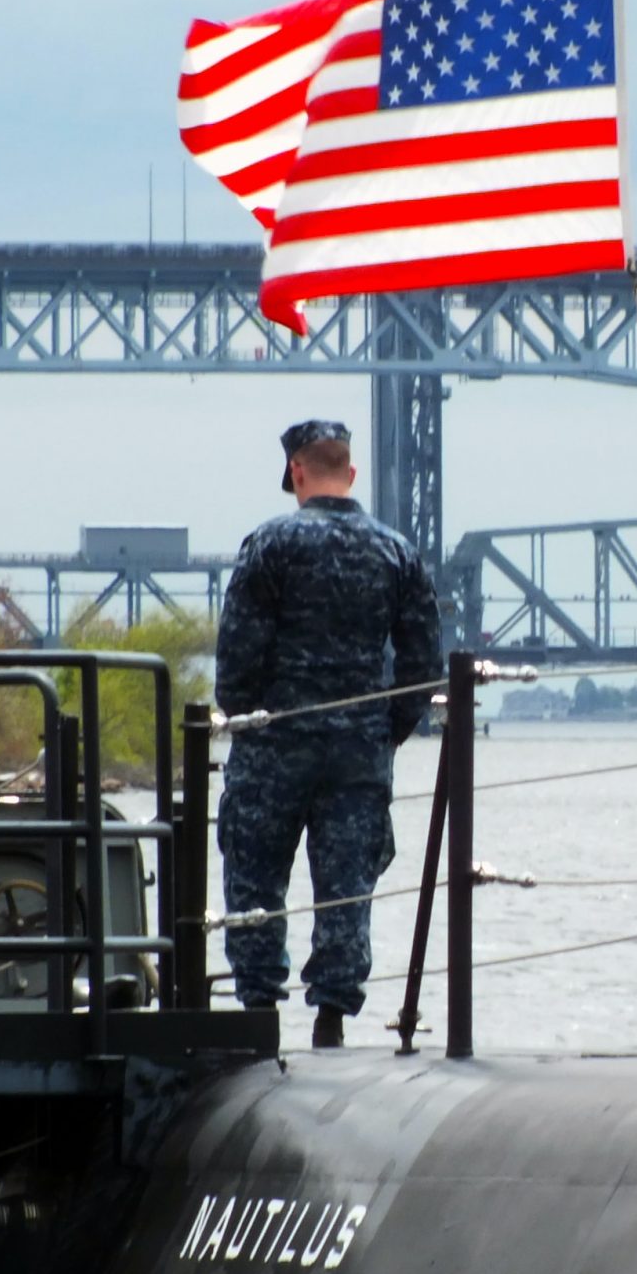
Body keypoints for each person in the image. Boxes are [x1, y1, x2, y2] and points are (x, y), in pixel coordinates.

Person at [216, 419, 443, 1047]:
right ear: (350, 472)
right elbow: (422, 663)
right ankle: (332, 1022)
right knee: (346, 887)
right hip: (358, 753)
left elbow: (236, 660)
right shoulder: (396, 551)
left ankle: (259, 1013)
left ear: (297, 471)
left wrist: (251, 719)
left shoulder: (270, 545)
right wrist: (383, 730)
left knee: (256, 877)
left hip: (274, 745)